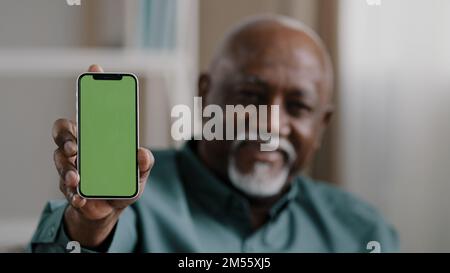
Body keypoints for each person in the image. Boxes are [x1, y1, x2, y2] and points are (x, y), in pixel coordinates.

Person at [29, 15, 398, 252]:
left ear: (321, 126)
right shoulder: (136, 199)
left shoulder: (361, 230)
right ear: (206, 94)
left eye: (298, 107)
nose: (270, 124)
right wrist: (91, 225)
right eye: (250, 97)